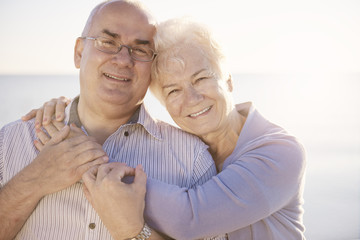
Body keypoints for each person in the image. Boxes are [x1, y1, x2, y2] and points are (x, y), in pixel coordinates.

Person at [28, 18, 307, 239]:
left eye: (201, 79)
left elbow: (190, 219)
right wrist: (73, 108)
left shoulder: (280, 152)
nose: (192, 99)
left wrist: (78, 158)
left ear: (229, 81)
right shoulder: (190, 151)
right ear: (164, 105)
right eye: (173, 91)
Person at [0, 1, 219, 240]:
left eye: (140, 50)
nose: (123, 59)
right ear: (79, 52)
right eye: (107, 43)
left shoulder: (193, 160)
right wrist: (33, 181)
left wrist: (135, 232)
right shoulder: (9, 142)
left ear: (152, 67)